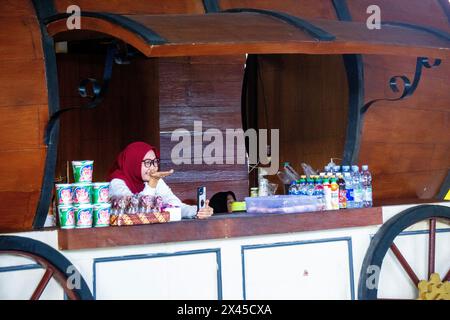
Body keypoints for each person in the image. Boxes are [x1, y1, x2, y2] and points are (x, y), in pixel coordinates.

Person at [108, 142, 214, 219]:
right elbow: (135, 211)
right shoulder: (116, 183)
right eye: (147, 162)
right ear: (133, 163)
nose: (153, 167)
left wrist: (199, 210)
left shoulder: (152, 179)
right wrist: (152, 184)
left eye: (155, 162)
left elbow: (176, 206)